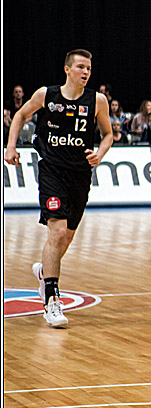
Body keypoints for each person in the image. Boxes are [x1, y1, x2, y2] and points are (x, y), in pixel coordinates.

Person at [3, 49, 113, 328]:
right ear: (67, 69)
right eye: (80, 67)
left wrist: (100, 153)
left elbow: (109, 133)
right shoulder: (47, 95)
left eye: (88, 68)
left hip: (80, 174)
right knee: (58, 231)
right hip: (52, 170)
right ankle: (52, 299)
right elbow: (20, 115)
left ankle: (43, 272)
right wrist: (11, 145)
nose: (85, 72)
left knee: (67, 237)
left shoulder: (97, 100)